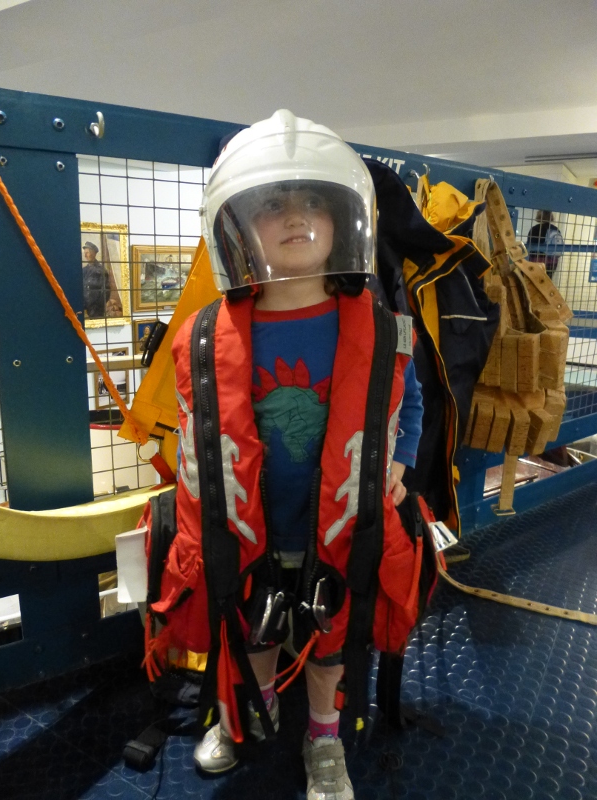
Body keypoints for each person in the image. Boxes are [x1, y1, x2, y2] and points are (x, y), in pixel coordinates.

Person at [166, 110, 424, 799]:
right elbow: (193, 426)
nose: (294, 216)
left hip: (339, 523)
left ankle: (324, 738)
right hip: (248, 526)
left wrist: (403, 462)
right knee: (249, 627)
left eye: (313, 200)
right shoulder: (200, 335)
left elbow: (409, 401)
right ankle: (248, 713)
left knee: (329, 638)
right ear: (239, 225)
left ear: (345, 217)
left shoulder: (384, 326)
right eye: (272, 203)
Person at [526, 210, 564, 278]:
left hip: (537, 261)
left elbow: (529, 248)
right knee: (548, 281)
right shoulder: (556, 230)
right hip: (552, 262)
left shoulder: (534, 229)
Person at [82, 241, 111, 318]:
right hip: (84, 307)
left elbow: (106, 291)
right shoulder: (84, 270)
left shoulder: (101, 270)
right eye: (84, 253)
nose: (85, 255)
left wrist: (97, 306)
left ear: (94, 254)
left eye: (87, 253)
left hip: (96, 309)